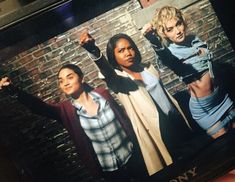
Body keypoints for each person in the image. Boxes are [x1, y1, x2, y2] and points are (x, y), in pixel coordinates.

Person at [0, 64, 149, 182]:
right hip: (110, 171)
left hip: (133, 156)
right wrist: (14, 91)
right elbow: (39, 107)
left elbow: (124, 119)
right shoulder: (66, 111)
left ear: (81, 78)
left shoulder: (103, 94)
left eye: (69, 77)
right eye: (61, 81)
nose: (65, 83)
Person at [79, 31, 192, 176]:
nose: (128, 53)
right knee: (175, 171)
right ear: (113, 56)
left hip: (175, 119)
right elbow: (107, 72)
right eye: (121, 50)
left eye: (130, 48)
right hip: (156, 130)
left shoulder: (147, 67)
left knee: (195, 161)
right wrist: (94, 51)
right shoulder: (117, 79)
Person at [142, 5, 235, 139]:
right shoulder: (171, 53)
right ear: (164, 34)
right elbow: (164, 55)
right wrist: (152, 39)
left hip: (222, 97)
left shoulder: (194, 40)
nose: (178, 31)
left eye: (178, 24)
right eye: (170, 29)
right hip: (205, 109)